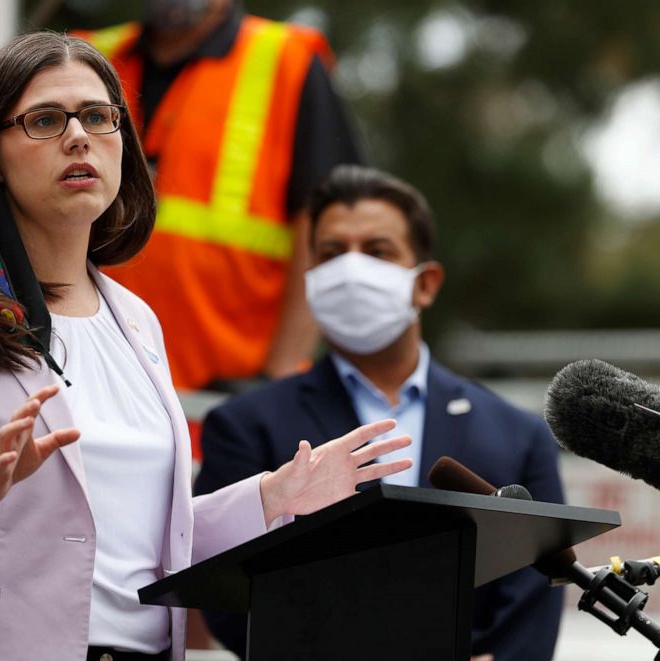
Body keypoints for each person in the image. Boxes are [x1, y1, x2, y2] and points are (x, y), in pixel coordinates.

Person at [0, 34, 413, 660]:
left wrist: (271, 499)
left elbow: (134, 545)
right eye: (45, 120)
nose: (78, 137)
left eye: (98, 117)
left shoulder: (137, 321)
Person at [194, 165, 566, 661]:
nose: (351, 271)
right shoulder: (245, 425)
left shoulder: (518, 436)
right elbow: (225, 591)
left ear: (425, 284)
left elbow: (539, 589)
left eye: (377, 251)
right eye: (331, 254)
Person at [74, 0, 363, 391]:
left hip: (226, 399)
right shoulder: (86, 57)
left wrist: (277, 380)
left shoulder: (286, 60)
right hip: (92, 379)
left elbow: (328, 227)